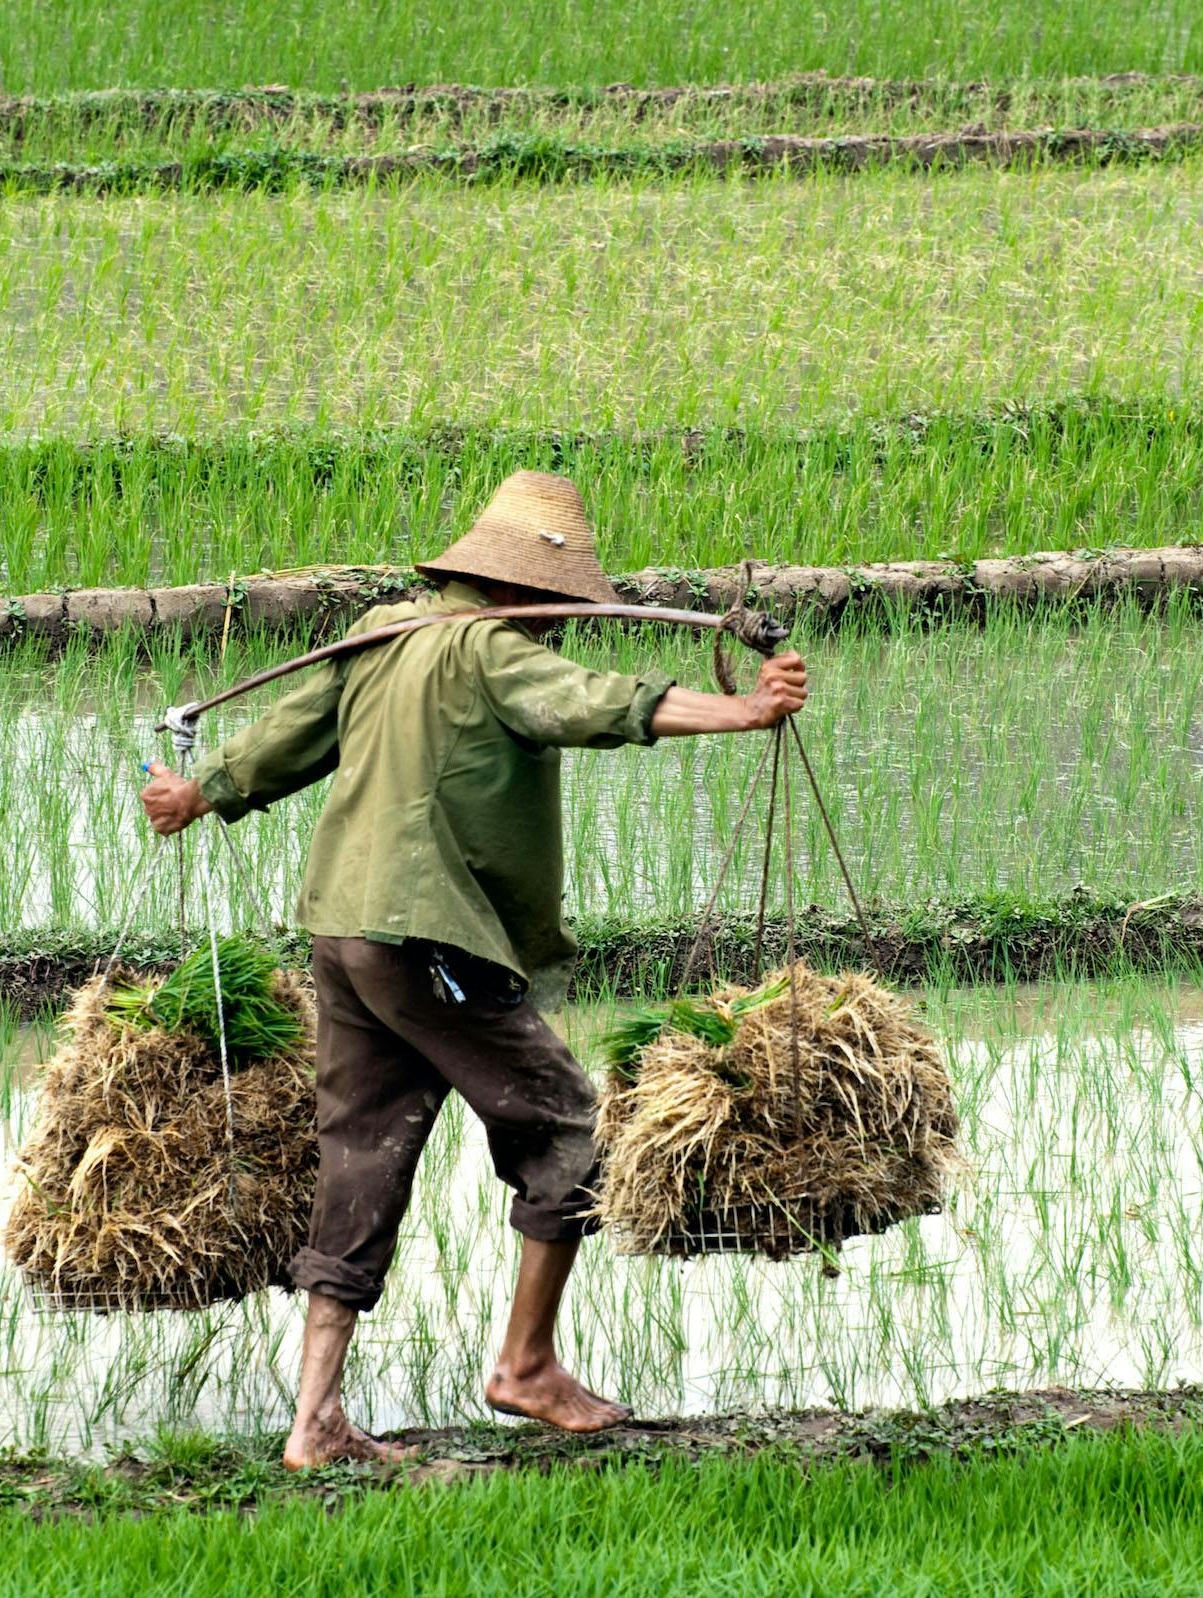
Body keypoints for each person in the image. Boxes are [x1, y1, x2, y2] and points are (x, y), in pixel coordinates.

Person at [138, 470, 808, 1467]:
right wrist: (741, 713)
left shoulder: (383, 634)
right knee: (569, 1128)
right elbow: (592, 702)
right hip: (432, 941)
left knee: (360, 1150)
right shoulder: (495, 649)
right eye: (556, 606)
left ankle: (315, 1420)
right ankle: (525, 1364)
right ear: (522, 593)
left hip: (347, 933)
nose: (556, 626)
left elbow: (286, 736)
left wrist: (201, 792)